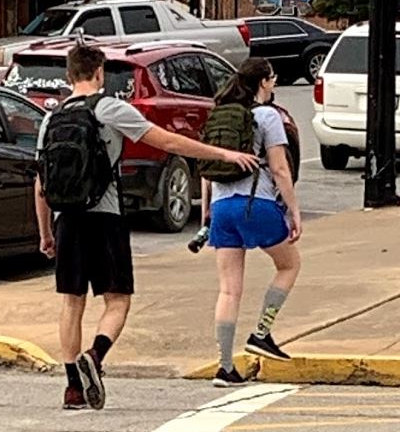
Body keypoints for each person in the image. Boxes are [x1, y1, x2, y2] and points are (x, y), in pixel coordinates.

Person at [35, 44, 259, 411]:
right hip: (105, 217)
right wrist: (223, 153)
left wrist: (45, 232)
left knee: (71, 302)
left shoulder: (51, 119)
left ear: (69, 76)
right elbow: (167, 141)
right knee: (117, 298)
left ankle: (73, 387)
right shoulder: (109, 108)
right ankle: (96, 353)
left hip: (67, 221)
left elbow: (41, 183)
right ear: (99, 73)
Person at [200, 57, 302, 388]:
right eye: (272, 79)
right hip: (254, 204)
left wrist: (207, 211)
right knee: (289, 265)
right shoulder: (267, 116)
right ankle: (261, 333)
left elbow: (208, 167)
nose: (273, 84)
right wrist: (293, 210)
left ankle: (225, 367)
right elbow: (280, 169)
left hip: (221, 206)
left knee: (229, 289)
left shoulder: (221, 113)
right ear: (263, 83)